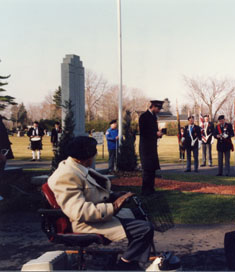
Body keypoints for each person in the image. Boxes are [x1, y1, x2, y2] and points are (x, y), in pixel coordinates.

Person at [48, 136, 154, 270]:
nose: (96, 154)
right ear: (86, 156)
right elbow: (79, 211)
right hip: (85, 223)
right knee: (145, 228)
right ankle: (124, 264)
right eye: (94, 151)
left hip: (96, 217)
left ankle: (132, 260)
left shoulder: (77, 167)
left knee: (140, 214)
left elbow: (92, 194)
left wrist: (115, 196)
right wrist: (114, 206)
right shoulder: (66, 175)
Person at [139, 100, 164, 196]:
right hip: (145, 148)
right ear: (153, 106)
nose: (158, 110)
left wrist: (158, 134)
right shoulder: (144, 117)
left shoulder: (154, 117)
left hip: (152, 147)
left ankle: (151, 188)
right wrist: (155, 133)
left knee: (152, 169)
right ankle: (145, 190)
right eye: (158, 108)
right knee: (147, 169)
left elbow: (153, 131)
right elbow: (144, 132)